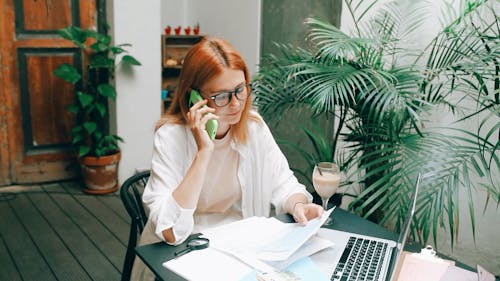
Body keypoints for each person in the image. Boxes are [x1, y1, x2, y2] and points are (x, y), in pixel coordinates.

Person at [131, 37, 324, 280]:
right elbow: (170, 232)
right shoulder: (171, 137)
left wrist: (299, 205)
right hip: (183, 251)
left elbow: (283, 182)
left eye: (240, 90)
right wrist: (204, 152)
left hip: (238, 248)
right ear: (194, 98)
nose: (236, 104)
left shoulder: (254, 127)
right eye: (222, 96)